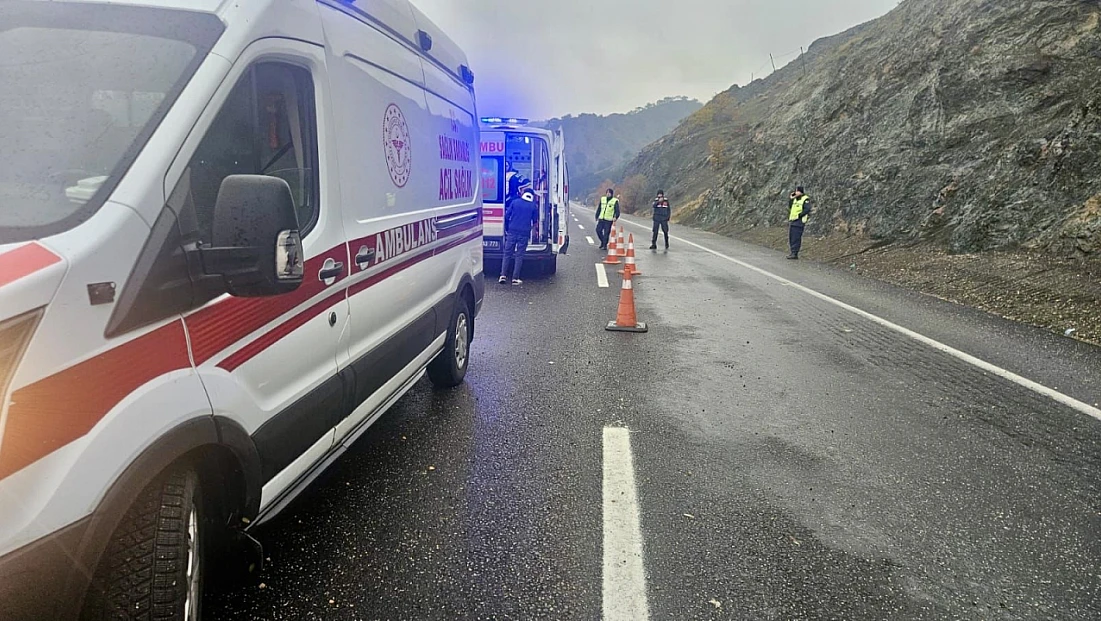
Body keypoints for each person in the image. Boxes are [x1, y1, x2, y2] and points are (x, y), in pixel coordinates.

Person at [500, 187, 539, 285]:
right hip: (524, 233)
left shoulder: (515, 202)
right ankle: (515, 278)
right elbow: (535, 221)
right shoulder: (533, 206)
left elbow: (507, 216)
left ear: (523, 194)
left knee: (507, 254)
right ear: (532, 196)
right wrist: (530, 229)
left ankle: (503, 275)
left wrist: (508, 228)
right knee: (519, 255)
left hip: (512, 231)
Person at [787, 186, 812, 260]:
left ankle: (794, 253)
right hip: (793, 221)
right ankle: (792, 252)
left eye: (796, 191)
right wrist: (791, 199)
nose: (795, 192)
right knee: (791, 237)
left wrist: (799, 215)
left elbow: (807, 209)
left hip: (799, 221)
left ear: (800, 192)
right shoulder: (795, 199)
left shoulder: (805, 199)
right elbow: (790, 207)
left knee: (796, 238)